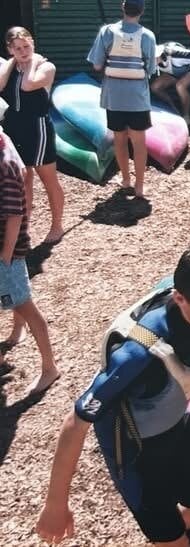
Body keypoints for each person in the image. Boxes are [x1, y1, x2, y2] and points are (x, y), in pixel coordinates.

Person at [35, 246, 190, 546]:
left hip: (177, 431)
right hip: (137, 458)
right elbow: (74, 423)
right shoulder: (137, 357)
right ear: (180, 299)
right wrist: (55, 505)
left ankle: (168, 531)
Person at [0, 126, 60, 395]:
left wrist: (6, 256)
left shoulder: (4, 166)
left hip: (6, 253)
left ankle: (49, 367)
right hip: (7, 251)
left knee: (24, 305)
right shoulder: (5, 139)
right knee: (15, 299)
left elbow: (14, 215)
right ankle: (15, 333)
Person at [0, 27, 65, 244]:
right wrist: (13, 61)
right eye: (17, 48)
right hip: (14, 126)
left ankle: (57, 225)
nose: (23, 51)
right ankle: (23, 227)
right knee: (23, 179)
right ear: (10, 49)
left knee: (48, 178)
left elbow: (28, 85)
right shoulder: (9, 68)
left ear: (33, 45)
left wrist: (33, 61)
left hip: (37, 128)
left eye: (26, 46)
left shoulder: (46, 66)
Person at [87, 0, 157, 198]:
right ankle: (139, 187)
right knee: (139, 142)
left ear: (123, 7)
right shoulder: (147, 35)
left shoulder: (106, 31)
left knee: (119, 139)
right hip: (137, 98)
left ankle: (126, 180)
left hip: (114, 97)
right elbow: (151, 70)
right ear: (142, 10)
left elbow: (97, 65)